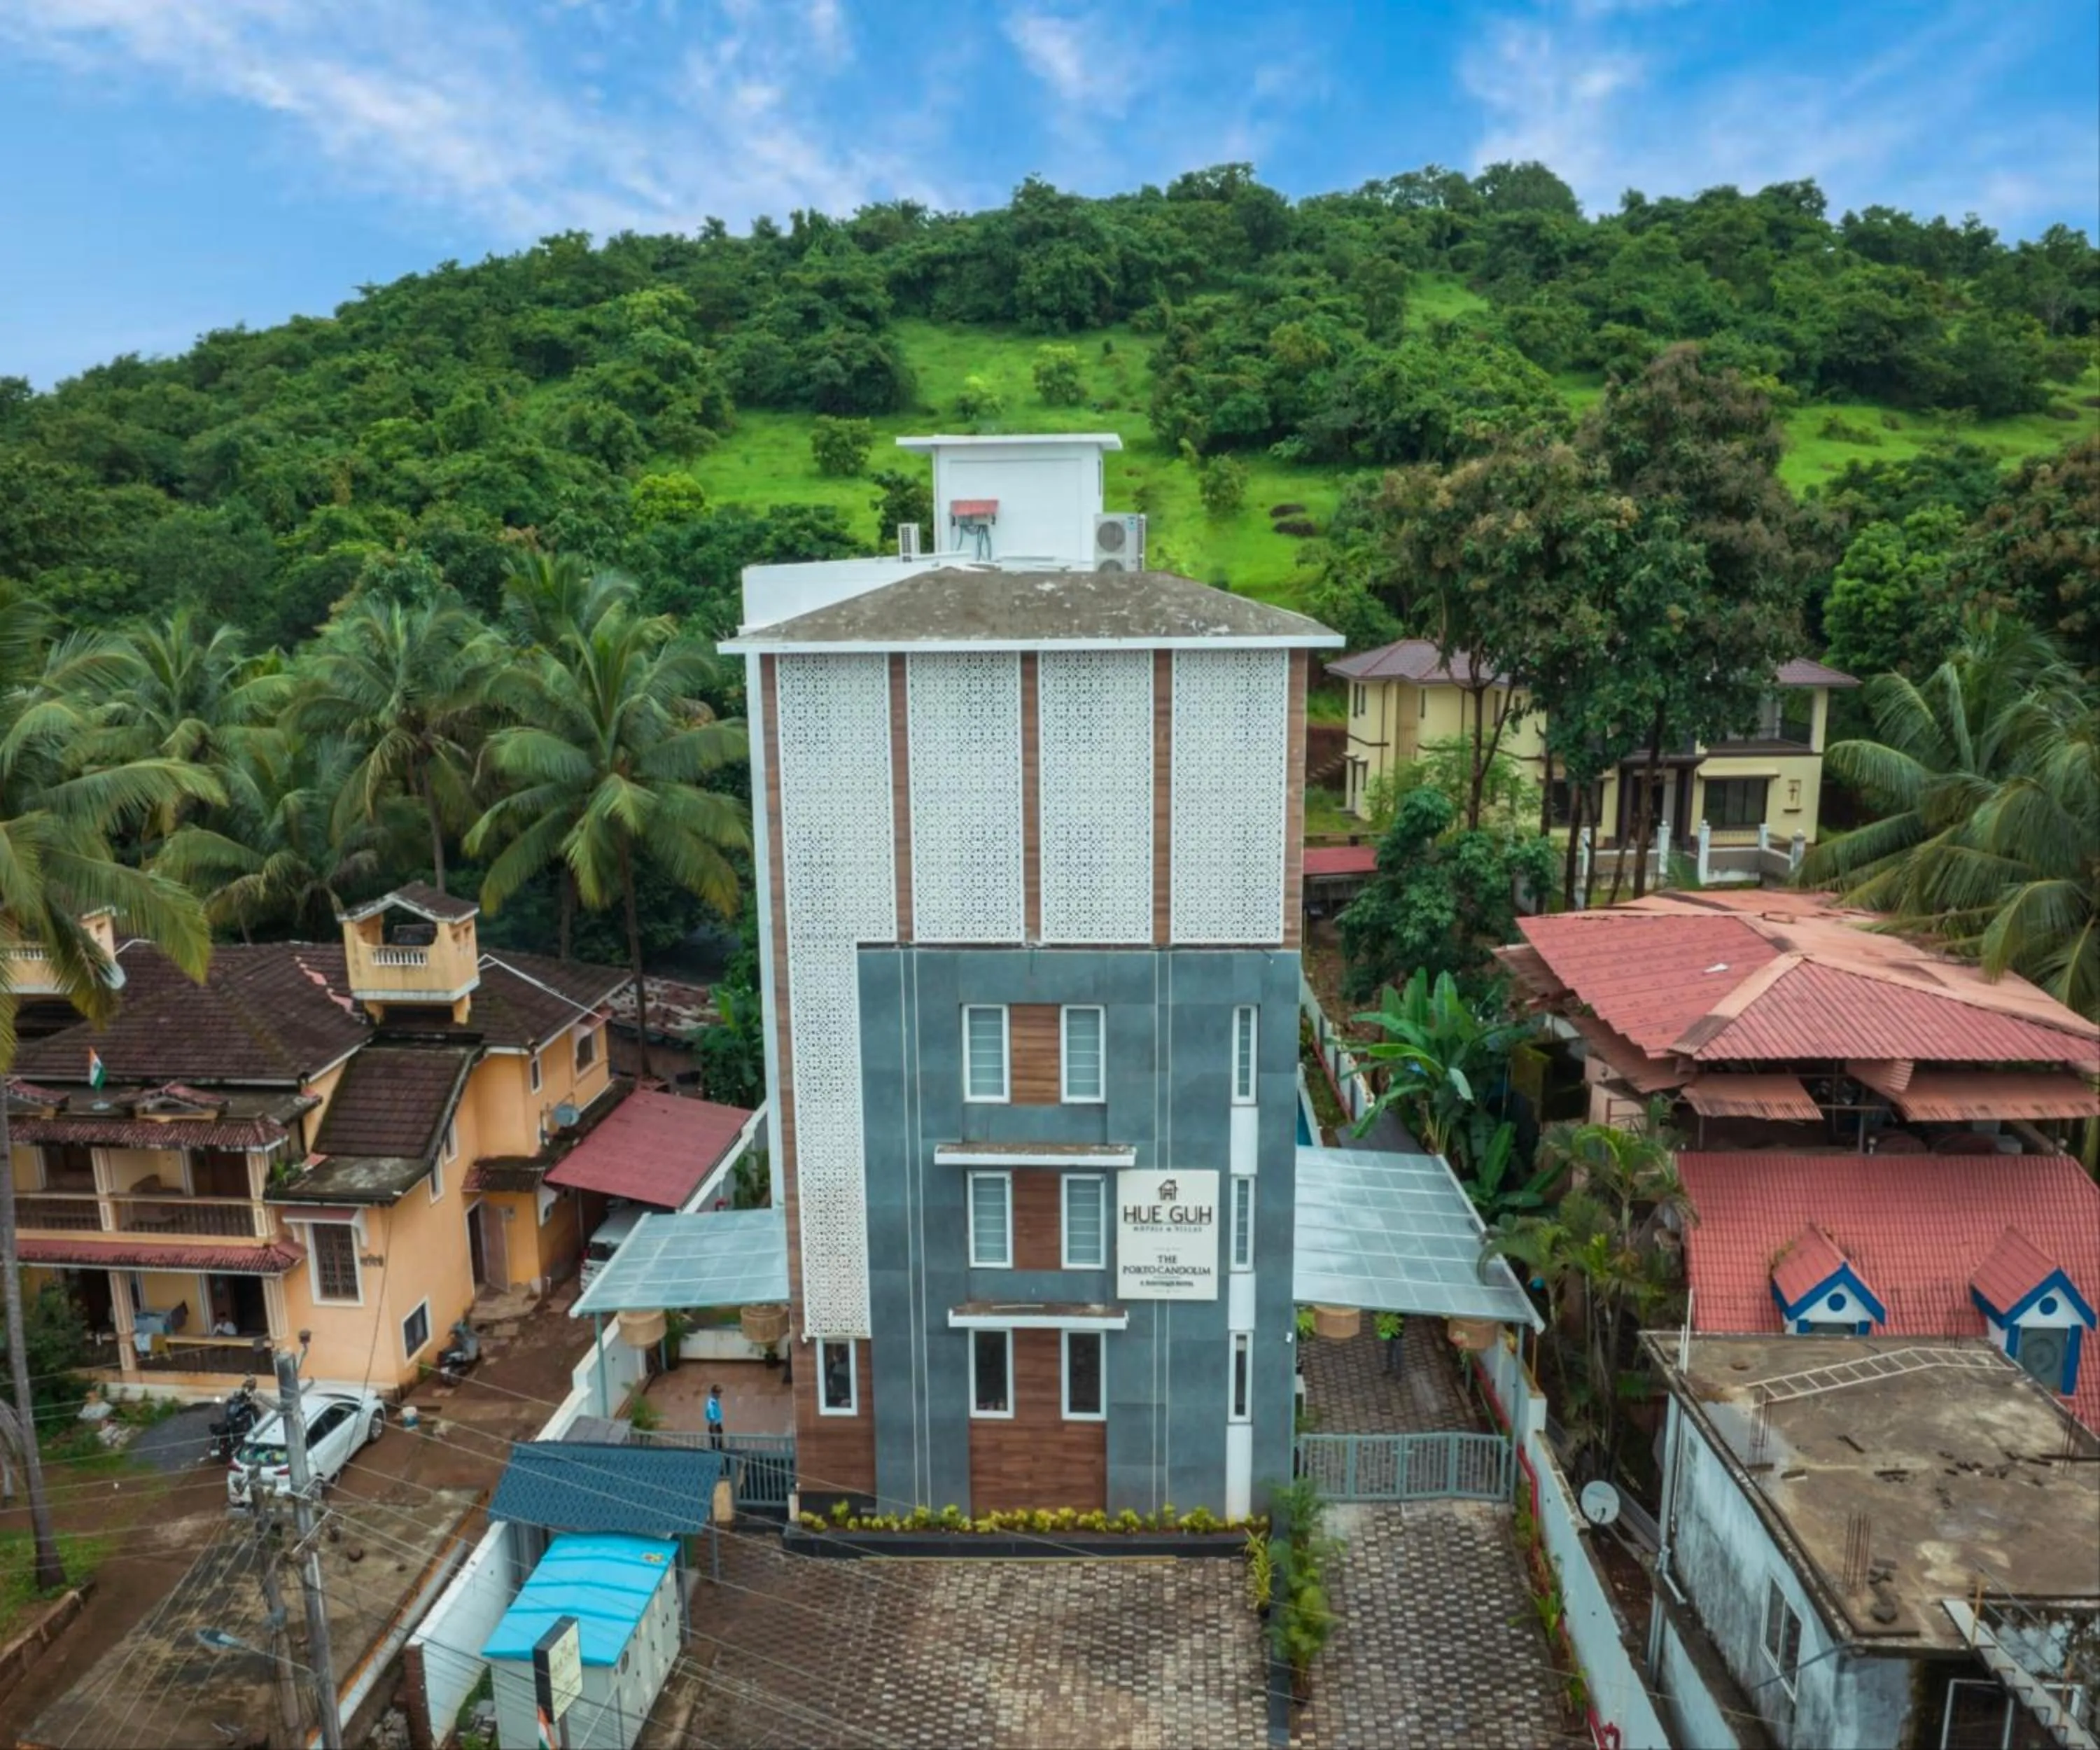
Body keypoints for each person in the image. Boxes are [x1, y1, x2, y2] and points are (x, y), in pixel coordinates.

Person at [704, 1382, 724, 1449]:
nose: (720, 1395)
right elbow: (711, 1416)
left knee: (719, 1443)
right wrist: (714, 1429)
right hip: (714, 1425)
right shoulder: (711, 1403)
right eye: (719, 1393)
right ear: (714, 1393)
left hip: (717, 1424)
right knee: (716, 1445)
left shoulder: (715, 1401)